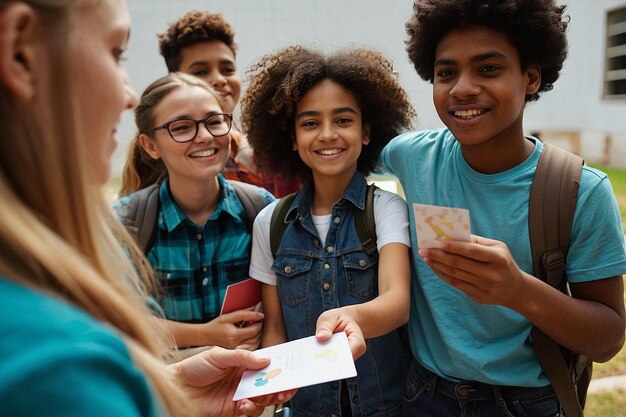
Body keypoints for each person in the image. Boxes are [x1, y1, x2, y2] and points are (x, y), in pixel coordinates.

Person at [0, 1, 295, 416]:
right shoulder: (52, 354)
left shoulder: (259, 205)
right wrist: (198, 345)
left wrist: (176, 388)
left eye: (214, 121)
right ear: (18, 52)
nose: (128, 93)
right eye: (116, 52)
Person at [377, 1, 626, 416]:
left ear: (530, 78)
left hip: (527, 402)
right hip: (423, 395)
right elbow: (335, 156)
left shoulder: (579, 191)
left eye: (488, 69)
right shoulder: (410, 157)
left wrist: (519, 291)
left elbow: (607, 339)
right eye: (446, 73)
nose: (462, 88)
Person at [240, 45, 416, 417]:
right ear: (291, 138)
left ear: (367, 132)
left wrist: (352, 319)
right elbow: (274, 328)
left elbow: (397, 302)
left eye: (343, 120)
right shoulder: (269, 223)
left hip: (384, 407)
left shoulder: (385, 209)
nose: (326, 134)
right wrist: (269, 387)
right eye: (309, 123)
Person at [113, 72, 274, 352]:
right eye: (182, 127)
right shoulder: (125, 222)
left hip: (254, 385)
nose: (204, 136)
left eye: (214, 122)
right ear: (150, 146)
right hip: (168, 389)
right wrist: (208, 335)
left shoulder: (262, 208)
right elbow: (121, 322)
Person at [119, 10, 300, 198]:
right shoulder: (152, 171)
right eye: (200, 72)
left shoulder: (268, 156)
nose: (219, 79)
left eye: (227, 69)